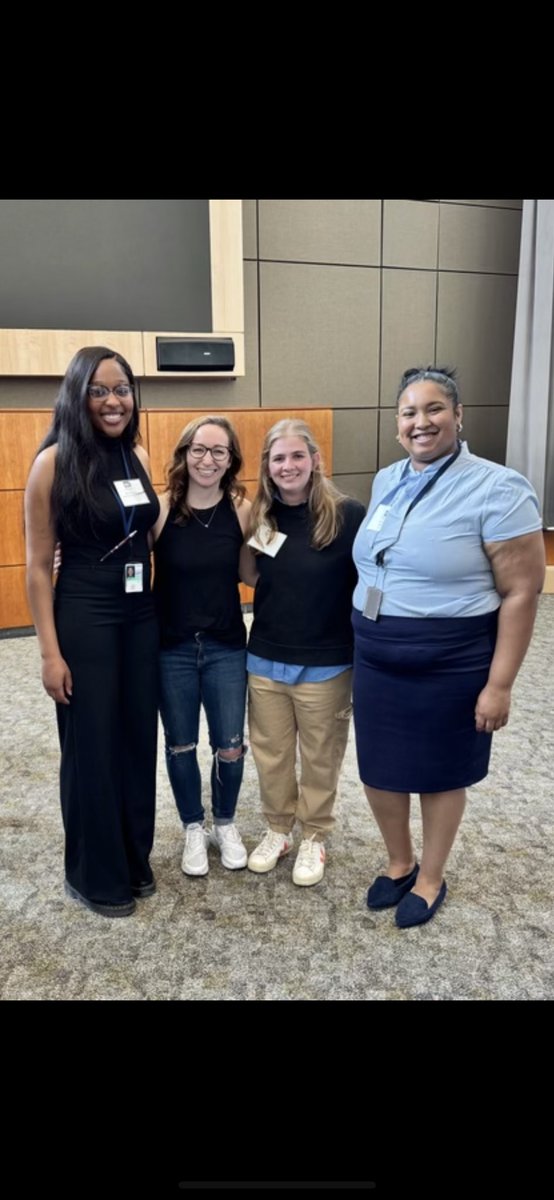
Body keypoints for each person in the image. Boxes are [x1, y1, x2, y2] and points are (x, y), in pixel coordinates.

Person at [352, 366, 545, 928]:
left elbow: (521, 591)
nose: (421, 422)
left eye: (434, 409)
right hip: (376, 652)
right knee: (379, 768)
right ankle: (399, 861)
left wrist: (500, 683)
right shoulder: (387, 479)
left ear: (458, 417)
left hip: (450, 659)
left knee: (439, 772)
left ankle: (432, 875)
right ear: (396, 426)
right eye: (409, 412)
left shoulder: (499, 487)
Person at [24, 346, 160, 918]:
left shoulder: (139, 455)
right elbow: (35, 566)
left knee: (136, 738)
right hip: (84, 611)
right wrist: (49, 654)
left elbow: (145, 534)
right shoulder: (53, 463)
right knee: (91, 744)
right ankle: (92, 873)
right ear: (78, 395)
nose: (113, 401)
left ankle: (132, 857)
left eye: (122, 389)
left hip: (139, 613)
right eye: (100, 390)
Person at [243, 418, 365, 886]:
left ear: (315, 460)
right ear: (268, 467)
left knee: (320, 755)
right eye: (278, 458)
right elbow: (253, 577)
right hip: (266, 657)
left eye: (297, 456)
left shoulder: (348, 514)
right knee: (271, 753)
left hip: (327, 662)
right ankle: (278, 830)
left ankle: (314, 835)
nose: (288, 465)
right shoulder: (263, 517)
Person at [152, 417, 251, 877]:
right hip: (171, 647)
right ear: (184, 453)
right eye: (198, 449)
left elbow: (255, 572)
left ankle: (224, 823)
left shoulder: (242, 510)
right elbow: (118, 551)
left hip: (227, 646)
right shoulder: (161, 507)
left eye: (218, 451)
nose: (207, 459)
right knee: (180, 745)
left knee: (230, 745)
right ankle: (193, 825)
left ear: (230, 460)